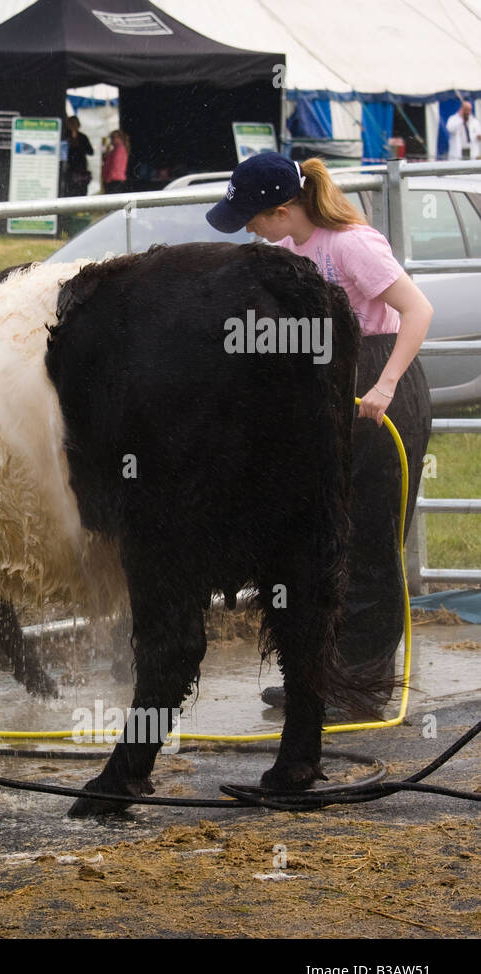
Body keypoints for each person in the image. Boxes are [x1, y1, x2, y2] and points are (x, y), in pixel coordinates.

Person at [207, 152, 434, 715]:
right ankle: (321, 675)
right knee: (324, 535)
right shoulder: (289, 251)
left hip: (382, 390)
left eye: (254, 218)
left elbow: (418, 309)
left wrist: (382, 386)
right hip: (334, 388)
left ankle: (362, 684)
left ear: (283, 210)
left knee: (371, 539)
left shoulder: (349, 244)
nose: (252, 230)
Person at [61, 117, 93, 197]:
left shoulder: (82, 137)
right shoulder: (65, 136)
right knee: (71, 191)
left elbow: (91, 151)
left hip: (79, 169)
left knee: (79, 191)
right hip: (70, 169)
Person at [101, 130, 129, 194]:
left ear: (120, 138)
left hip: (114, 179)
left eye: (113, 137)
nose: (111, 139)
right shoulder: (117, 149)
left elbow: (115, 166)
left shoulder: (119, 149)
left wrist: (108, 179)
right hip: (115, 179)